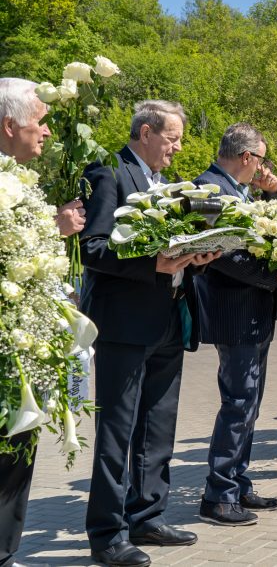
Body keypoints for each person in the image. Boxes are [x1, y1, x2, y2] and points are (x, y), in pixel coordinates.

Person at [81, 101, 221, 566]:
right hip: (124, 324)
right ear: (145, 132)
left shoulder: (169, 185)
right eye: (173, 138)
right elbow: (94, 249)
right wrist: (153, 264)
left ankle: (147, 515)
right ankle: (107, 534)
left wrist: (198, 257)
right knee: (117, 430)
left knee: (158, 426)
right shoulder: (110, 173)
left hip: (169, 318)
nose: (178, 148)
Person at [0, 77, 86, 567]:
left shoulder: (21, 182)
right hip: (8, 347)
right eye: (40, 122)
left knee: (17, 458)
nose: (48, 133)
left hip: (26, 347)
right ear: (10, 125)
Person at [194, 123, 277, 526]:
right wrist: (274, 276)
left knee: (250, 403)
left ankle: (237, 482)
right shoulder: (209, 189)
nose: (262, 167)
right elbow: (222, 254)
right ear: (247, 157)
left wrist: (273, 194)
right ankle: (218, 495)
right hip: (233, 311)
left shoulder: (241, 190)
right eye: (260, 159)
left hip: (255, 312)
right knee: (238, 402)